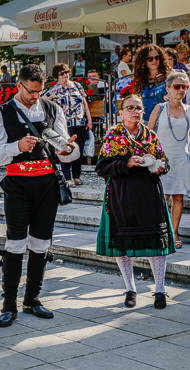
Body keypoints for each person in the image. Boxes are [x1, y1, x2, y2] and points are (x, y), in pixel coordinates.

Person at [0, 64, 74, 329]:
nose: (35, 96)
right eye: (31, 91)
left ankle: (32, 299)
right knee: (15, 243)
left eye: (39, 91)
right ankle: (8, 304)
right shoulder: (3, 113)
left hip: (46, 183)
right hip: (18, 184)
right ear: (19, 85)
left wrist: (69, 147)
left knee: (42, 243)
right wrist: (16, 147)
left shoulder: (52, 109)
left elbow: (62, 148)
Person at [96, 94, 175, 309]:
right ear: (120, 113)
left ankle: (160, 290)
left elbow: (164, 162)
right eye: (129, 108)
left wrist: (161, 167)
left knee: (156, 243)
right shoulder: (113, 136)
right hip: (122, 195)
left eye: (138, 108)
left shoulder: (150, 136)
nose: (135, 111)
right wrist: (127, 162)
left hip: (149, 194)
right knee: (123, 244)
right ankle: (130, 289)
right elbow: (101, 168)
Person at [147, 72, 190, 249]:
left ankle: (174, 232)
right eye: (177, 86)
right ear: (168, 89)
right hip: (162, 158)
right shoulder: (159, 108)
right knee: (161, 197)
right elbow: (149, 133)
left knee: (178, 197)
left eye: (185, 87)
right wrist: (150, 156)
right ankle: (161, 231)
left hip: (182, 159)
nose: (181, 90)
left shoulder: (189, 110)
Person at [45, 63, 92, 187]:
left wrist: (89, 119)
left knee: (78, 149)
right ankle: (67, 177)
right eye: (62, 73)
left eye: (66, 72)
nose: (65, 75)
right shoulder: (56, 89)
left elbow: (85, 103)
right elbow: (44, 100)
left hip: (80, 122)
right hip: (65, 124)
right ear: (57, 76)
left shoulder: (77, 85)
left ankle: (76, 176)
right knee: (66, 148)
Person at [133, 44, 171, 124]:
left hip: (164, 120)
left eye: (157, 57)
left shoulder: (168, 76)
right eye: (150, 59)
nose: (154, 61)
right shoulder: (141, 78)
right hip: (145, 121)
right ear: (144, 61)